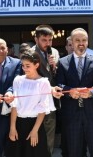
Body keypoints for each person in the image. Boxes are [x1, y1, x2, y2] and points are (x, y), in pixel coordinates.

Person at [56, 27, 93, 157]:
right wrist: (69, 91)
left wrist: (91, 92)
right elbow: (59, 84)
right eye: (77, 40)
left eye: (84, 40)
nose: (81, 43)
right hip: (71, 114)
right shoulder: (62, 62)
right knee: (74, 151)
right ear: (71, 42)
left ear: (88, 42)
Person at [6, 51, 55, 157]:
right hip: (18, 123)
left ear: (36, 65)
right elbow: (14, 105)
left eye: (28, 66)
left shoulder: (43, 82)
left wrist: (35, 130)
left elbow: (42, 108)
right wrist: (12, 128)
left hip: (35, 124)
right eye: (23, 66)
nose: (25, 68)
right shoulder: (18, 80)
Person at [29, 25, 60, 155]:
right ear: (36, 39)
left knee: (49, 137)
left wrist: (53, 66)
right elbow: (30, 76)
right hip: (34, 102)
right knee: (35, 137)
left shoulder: (54, 52)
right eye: (44, 40)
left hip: (51, 102)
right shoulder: (30, 53)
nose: (48, 43)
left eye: (50, 40)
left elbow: (56, 76)